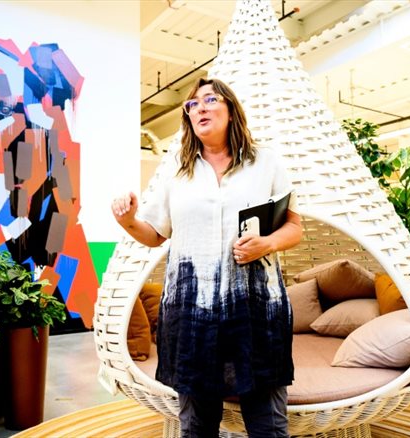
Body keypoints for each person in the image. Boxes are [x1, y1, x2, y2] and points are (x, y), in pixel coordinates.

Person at [111, 78, 302, 438]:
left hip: (256, 311)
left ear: (230, 110)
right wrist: (127, 221)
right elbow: (155, 235)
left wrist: (266, 244)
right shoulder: (176, 171)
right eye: (191, 104)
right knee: (196, 426)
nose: (198, 107)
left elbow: (294, 227)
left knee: (268, 426)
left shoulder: (265, 162)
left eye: (209, 99)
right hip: (191, 314)